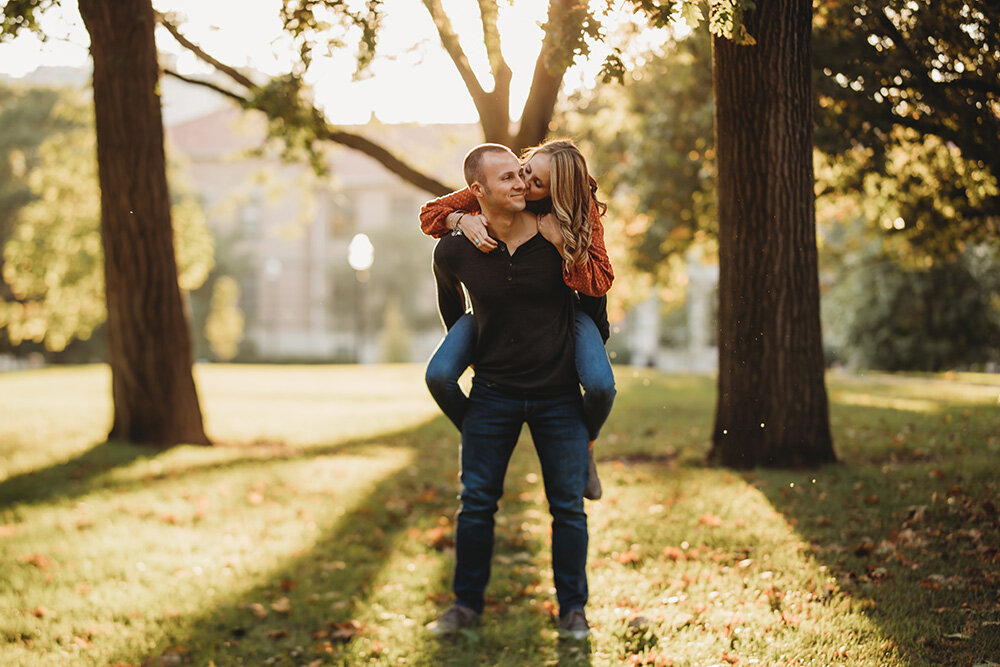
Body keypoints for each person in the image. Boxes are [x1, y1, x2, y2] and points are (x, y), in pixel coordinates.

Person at [426, 143, 591, 639]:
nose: (521, 184)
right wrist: (473, 355)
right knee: (476, 503)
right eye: (507, 179)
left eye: (521, 174)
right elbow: (452, 309)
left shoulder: (554, 234)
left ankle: (573, 610)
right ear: (477, 192)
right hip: (493, 392)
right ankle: (465, 606)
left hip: (559, 395)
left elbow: (592, 299)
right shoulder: (456, 247)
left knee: (567, 507)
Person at [420, 139, 616, 500]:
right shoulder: (506, 184)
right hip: (494, 311)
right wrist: (460, 218)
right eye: (524, 170)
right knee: (439, 375)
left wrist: (561, 244)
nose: (524, 183)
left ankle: (585, 445)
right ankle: (479, 434)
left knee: (602, 386)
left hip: (573, 310)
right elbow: (429, 216)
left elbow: (599, 284)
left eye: (535, 182)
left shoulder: (578, 208)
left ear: (556, 191)